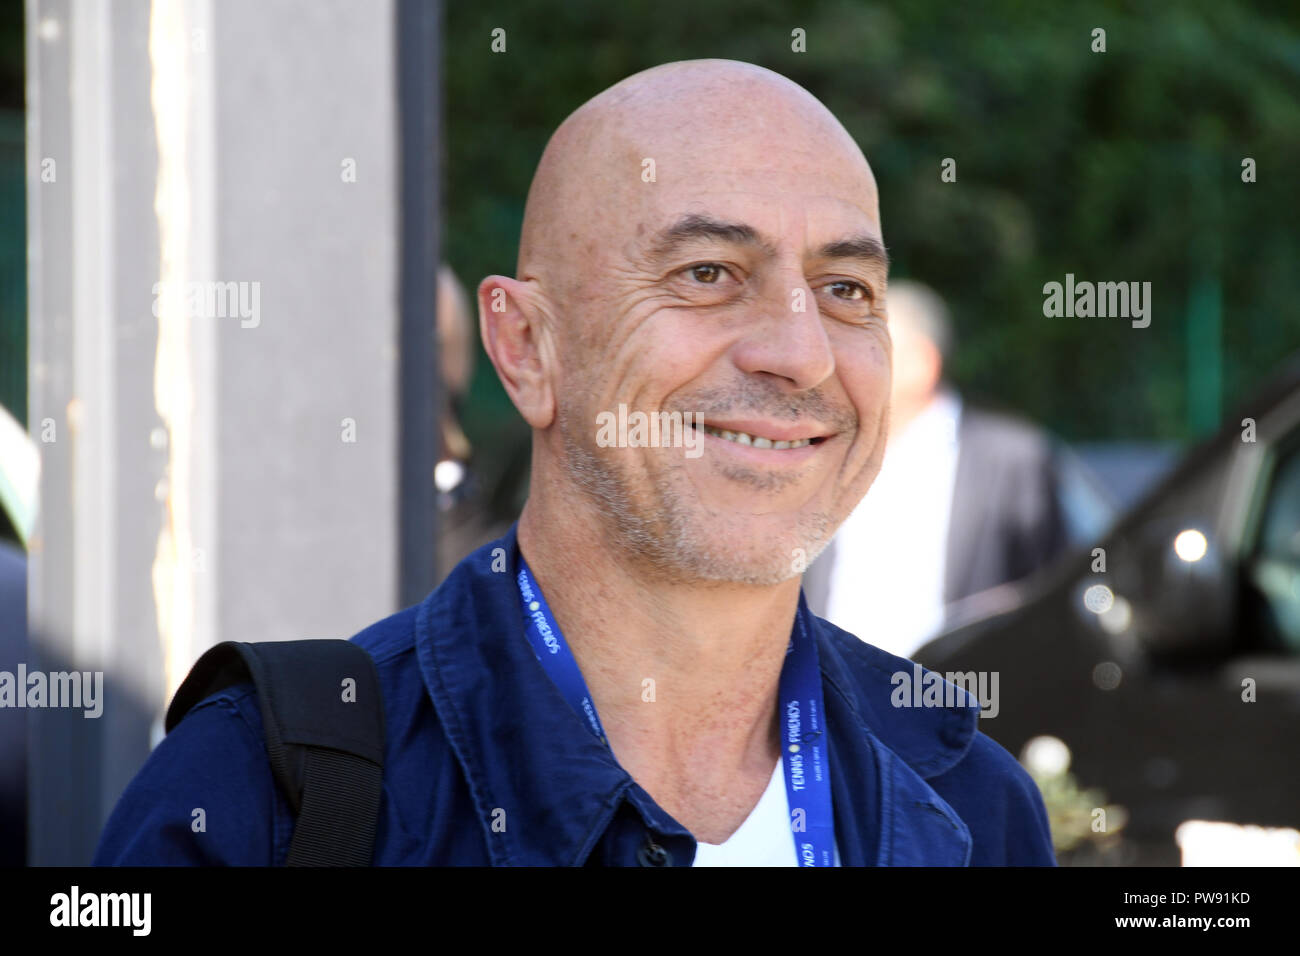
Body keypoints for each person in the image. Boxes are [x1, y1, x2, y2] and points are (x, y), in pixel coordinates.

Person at [95, 60, 1054, 866]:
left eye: (845, 288)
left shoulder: (968, 803)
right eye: (707, 274)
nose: (799, 353)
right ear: (525, 349)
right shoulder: (270, 797)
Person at [804, 280, 1072, 658]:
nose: (839, 370)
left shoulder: (1011, 461)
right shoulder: (818, 452)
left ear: (921, 364)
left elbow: (1049, 602)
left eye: (864, 352)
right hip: (832, 702)